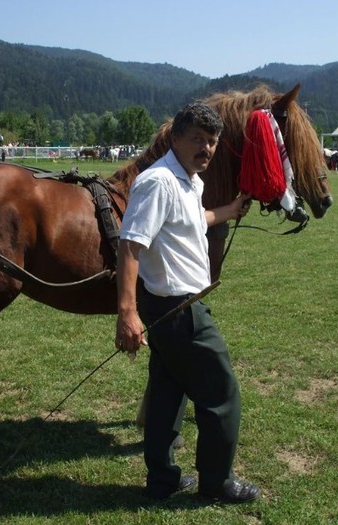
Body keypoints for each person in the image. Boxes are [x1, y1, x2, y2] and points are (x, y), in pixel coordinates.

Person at [115, 102, 260, 503]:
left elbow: (191, 220)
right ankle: (217, 483)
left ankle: (162, 481)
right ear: (175, 138)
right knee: (222, 393)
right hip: (179, 310)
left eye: (212, 141)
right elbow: (129, 247)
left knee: (167, 395)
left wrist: (229, 210)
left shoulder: (189, 181)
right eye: (197, 138)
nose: (206, 148)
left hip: (173, 309)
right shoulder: (158, 181)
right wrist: (127, 314)